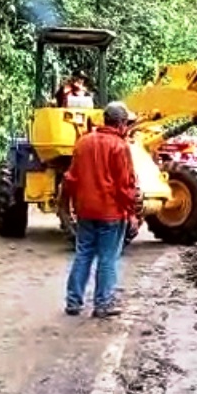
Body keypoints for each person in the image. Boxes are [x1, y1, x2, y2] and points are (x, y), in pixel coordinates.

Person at [62, 102, 137, 318]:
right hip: (111, 213)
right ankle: (103, 304)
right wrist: (131, 213)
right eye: (127, 123)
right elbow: (125, 185)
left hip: (85, 210)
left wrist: (66, 205)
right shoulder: (119, 146)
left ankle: (73, 302)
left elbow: (71, 178)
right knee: (107, 258)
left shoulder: (83, 143)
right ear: (121, 124)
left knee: (83, 254)